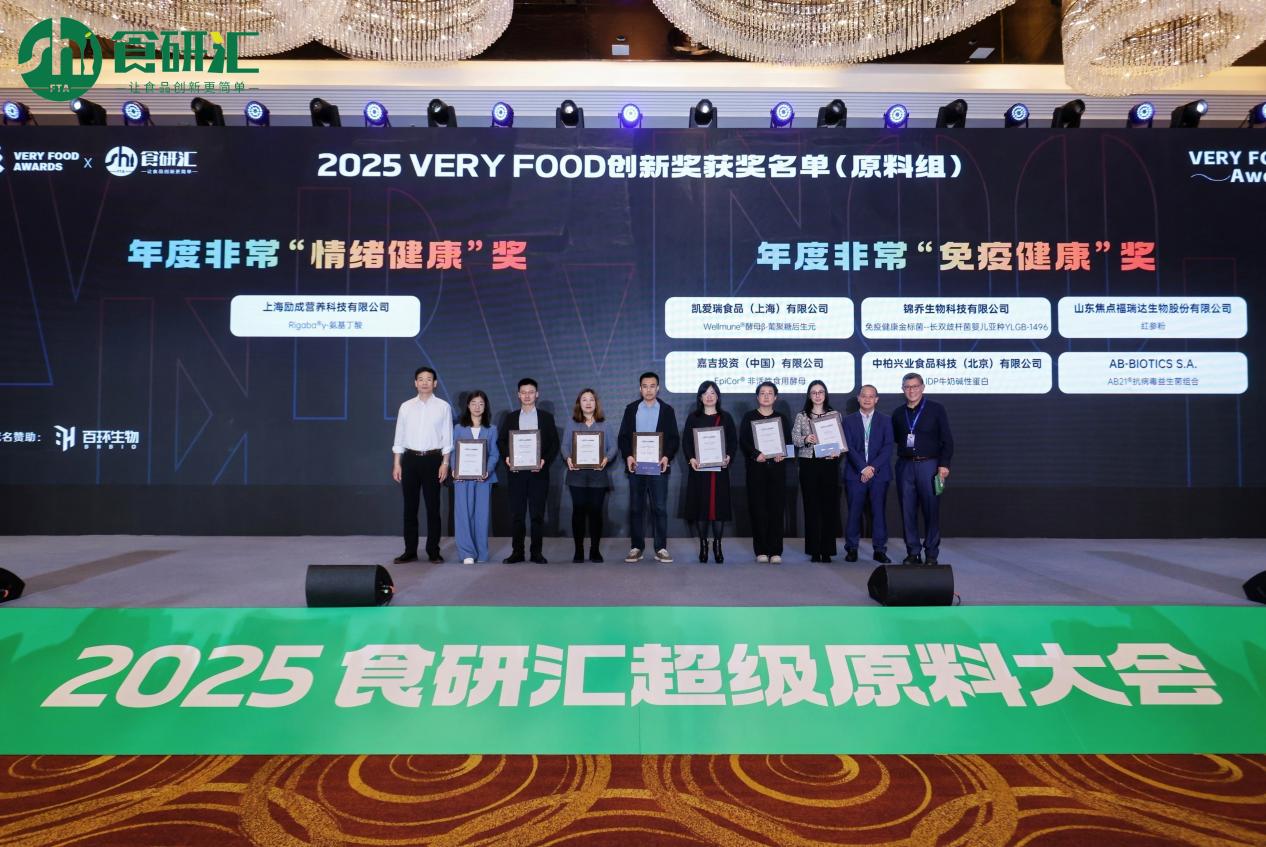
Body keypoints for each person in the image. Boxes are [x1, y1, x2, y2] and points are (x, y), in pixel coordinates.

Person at [391, 366, 452, 564]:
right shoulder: (406, 406)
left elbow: (447, 438)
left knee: (433, 508)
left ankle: (433, 551)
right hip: (410, 460)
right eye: (421, 379)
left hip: (433, 460)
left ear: (435, 383)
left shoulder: (443, 406)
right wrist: (397, 463)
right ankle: (410, 550)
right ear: (415, 383)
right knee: (410, 508)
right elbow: (399, 436)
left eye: (428, 379)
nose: (425, 382)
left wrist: (445, 463)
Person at [616, 371, 680, 564]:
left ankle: (661, 548)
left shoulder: (667, 410)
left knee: (659, 508)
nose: (649, 390)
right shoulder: (631, 409)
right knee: (636, 508)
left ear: (658, 388)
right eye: (645, 386)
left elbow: (674, 438)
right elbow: (623, 437)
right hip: (636, 467)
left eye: (652, 386)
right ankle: (636, 547)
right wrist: (628, 455)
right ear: (640, 388)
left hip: (658, 467)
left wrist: (666, 456)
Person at [891, 372, 953, 565]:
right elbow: (896, 439)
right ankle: (913, 552)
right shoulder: (898, 413)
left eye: (915, 386)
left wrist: (944, 464)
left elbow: (947, 439)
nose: (911, 390)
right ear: (902, 389)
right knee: (907, 511)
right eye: (907, 387)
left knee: (931, 510)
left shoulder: (936, 409)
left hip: (930, 466)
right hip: (905, 466)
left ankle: (931, 554)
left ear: (923, 387)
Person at [497, 378, 559, 564]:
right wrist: (507, 457)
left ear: (536, 394)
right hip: (516, 474)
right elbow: (501, 441)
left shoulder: (546, 418)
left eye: (531, 392)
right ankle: (517, 552)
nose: (527, 395)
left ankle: (536, 553)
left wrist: (544, 460)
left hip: (539, 473)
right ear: (518, 395)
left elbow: (554, 444)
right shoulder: (511, 417)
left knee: (537, 515)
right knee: (517, 515)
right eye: (523, 392)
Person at [682, 380, 737, 563]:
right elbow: (686, 442)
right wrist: (691, 458)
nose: (709, 396)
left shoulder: (726, 417)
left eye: (713, 393)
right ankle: (704, 544)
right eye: (705, 393)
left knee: (719, 508)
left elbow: (732, 442)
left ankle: (718, 545)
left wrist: (728, 456)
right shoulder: (693, 418)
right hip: (699, 471)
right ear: (700, 397)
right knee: (701, 508)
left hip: (719, 471)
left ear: (718, 396)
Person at [561, 388, 618, 563]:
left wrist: (606, 458)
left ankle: (595, 550)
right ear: (579, 403)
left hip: (598, 475)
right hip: (576, 475)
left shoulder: (605, 424)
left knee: (596, 512)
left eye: (591, 399)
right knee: (578, 511)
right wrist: (568, 458)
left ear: (596, 403)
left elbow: (613, 447)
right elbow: (564, 446)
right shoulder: (571, 423)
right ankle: (578, 550)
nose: (588, 403)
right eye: (584, 399)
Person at [738, 381, 792, 563]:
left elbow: (789, 443)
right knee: (758, 510)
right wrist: (755, 454)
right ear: (757, 397)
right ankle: (761, 550)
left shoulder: (782, 418)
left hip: (777, 470)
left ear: (775, 397)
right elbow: (743, 441)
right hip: (756, 470)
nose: (766, 396)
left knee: (776, 510)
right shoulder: (749, 417)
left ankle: (776, 551)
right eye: (763, 393)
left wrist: (783, 454)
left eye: (770, 393)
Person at [791, 380, 843, 563]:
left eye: (821, 392)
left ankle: (827, 550)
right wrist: (806, 438)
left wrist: (838, 451)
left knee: (829, 507)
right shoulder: (802, 416)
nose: (818, 395)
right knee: (811, 507)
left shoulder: (834, 415)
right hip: (808, 463)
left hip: (829, 463)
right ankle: (814, 550)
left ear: (825, 394)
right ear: (809, 395)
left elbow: (841, 441)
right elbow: (794, 439)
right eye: (814, 392)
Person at [842, 384, 893, 564]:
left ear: (876, 399)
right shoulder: (848, 421)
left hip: (879, 475)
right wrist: (863, 468)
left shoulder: (886, 420)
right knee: (854, 512)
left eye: (871, 396)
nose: (867, 399)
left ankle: (879, 549)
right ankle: (852, 548)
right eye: (864, 395)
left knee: (878, 512)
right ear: (858, 398)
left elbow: (888, 447)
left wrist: (872, 468)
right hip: (855, 473)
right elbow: (848, 446)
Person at [452, 391, 499, 564]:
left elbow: (494, 454)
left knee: (481, 515)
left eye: (481, 403)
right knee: (463, 515)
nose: (477, 407)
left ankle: (481, 553)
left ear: (485, 407)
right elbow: (453, 451)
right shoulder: (458, 428)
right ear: (468, 406)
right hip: (462, 478)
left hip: (483, 478)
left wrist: (487, 469)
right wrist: (454, 468)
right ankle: (467, 553)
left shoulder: (492, 429)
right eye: (473, 403)